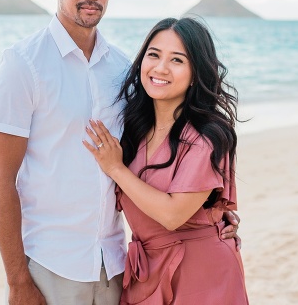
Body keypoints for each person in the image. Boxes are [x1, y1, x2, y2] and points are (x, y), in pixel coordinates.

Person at [0, 0, 240, 305]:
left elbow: (167, 144)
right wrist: (17, 280)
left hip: (117, 265)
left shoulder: (124, 69)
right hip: (52, 262)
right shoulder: (22, 65)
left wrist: (212, 218)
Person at [84, 17, 249, 304]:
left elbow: (173, 215)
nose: (160, 68)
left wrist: (115, 168)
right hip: (146, 271)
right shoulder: (133, 127)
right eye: (154, 55)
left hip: (201, 274)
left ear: (196, 72)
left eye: (177, 60)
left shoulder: (207, 136)